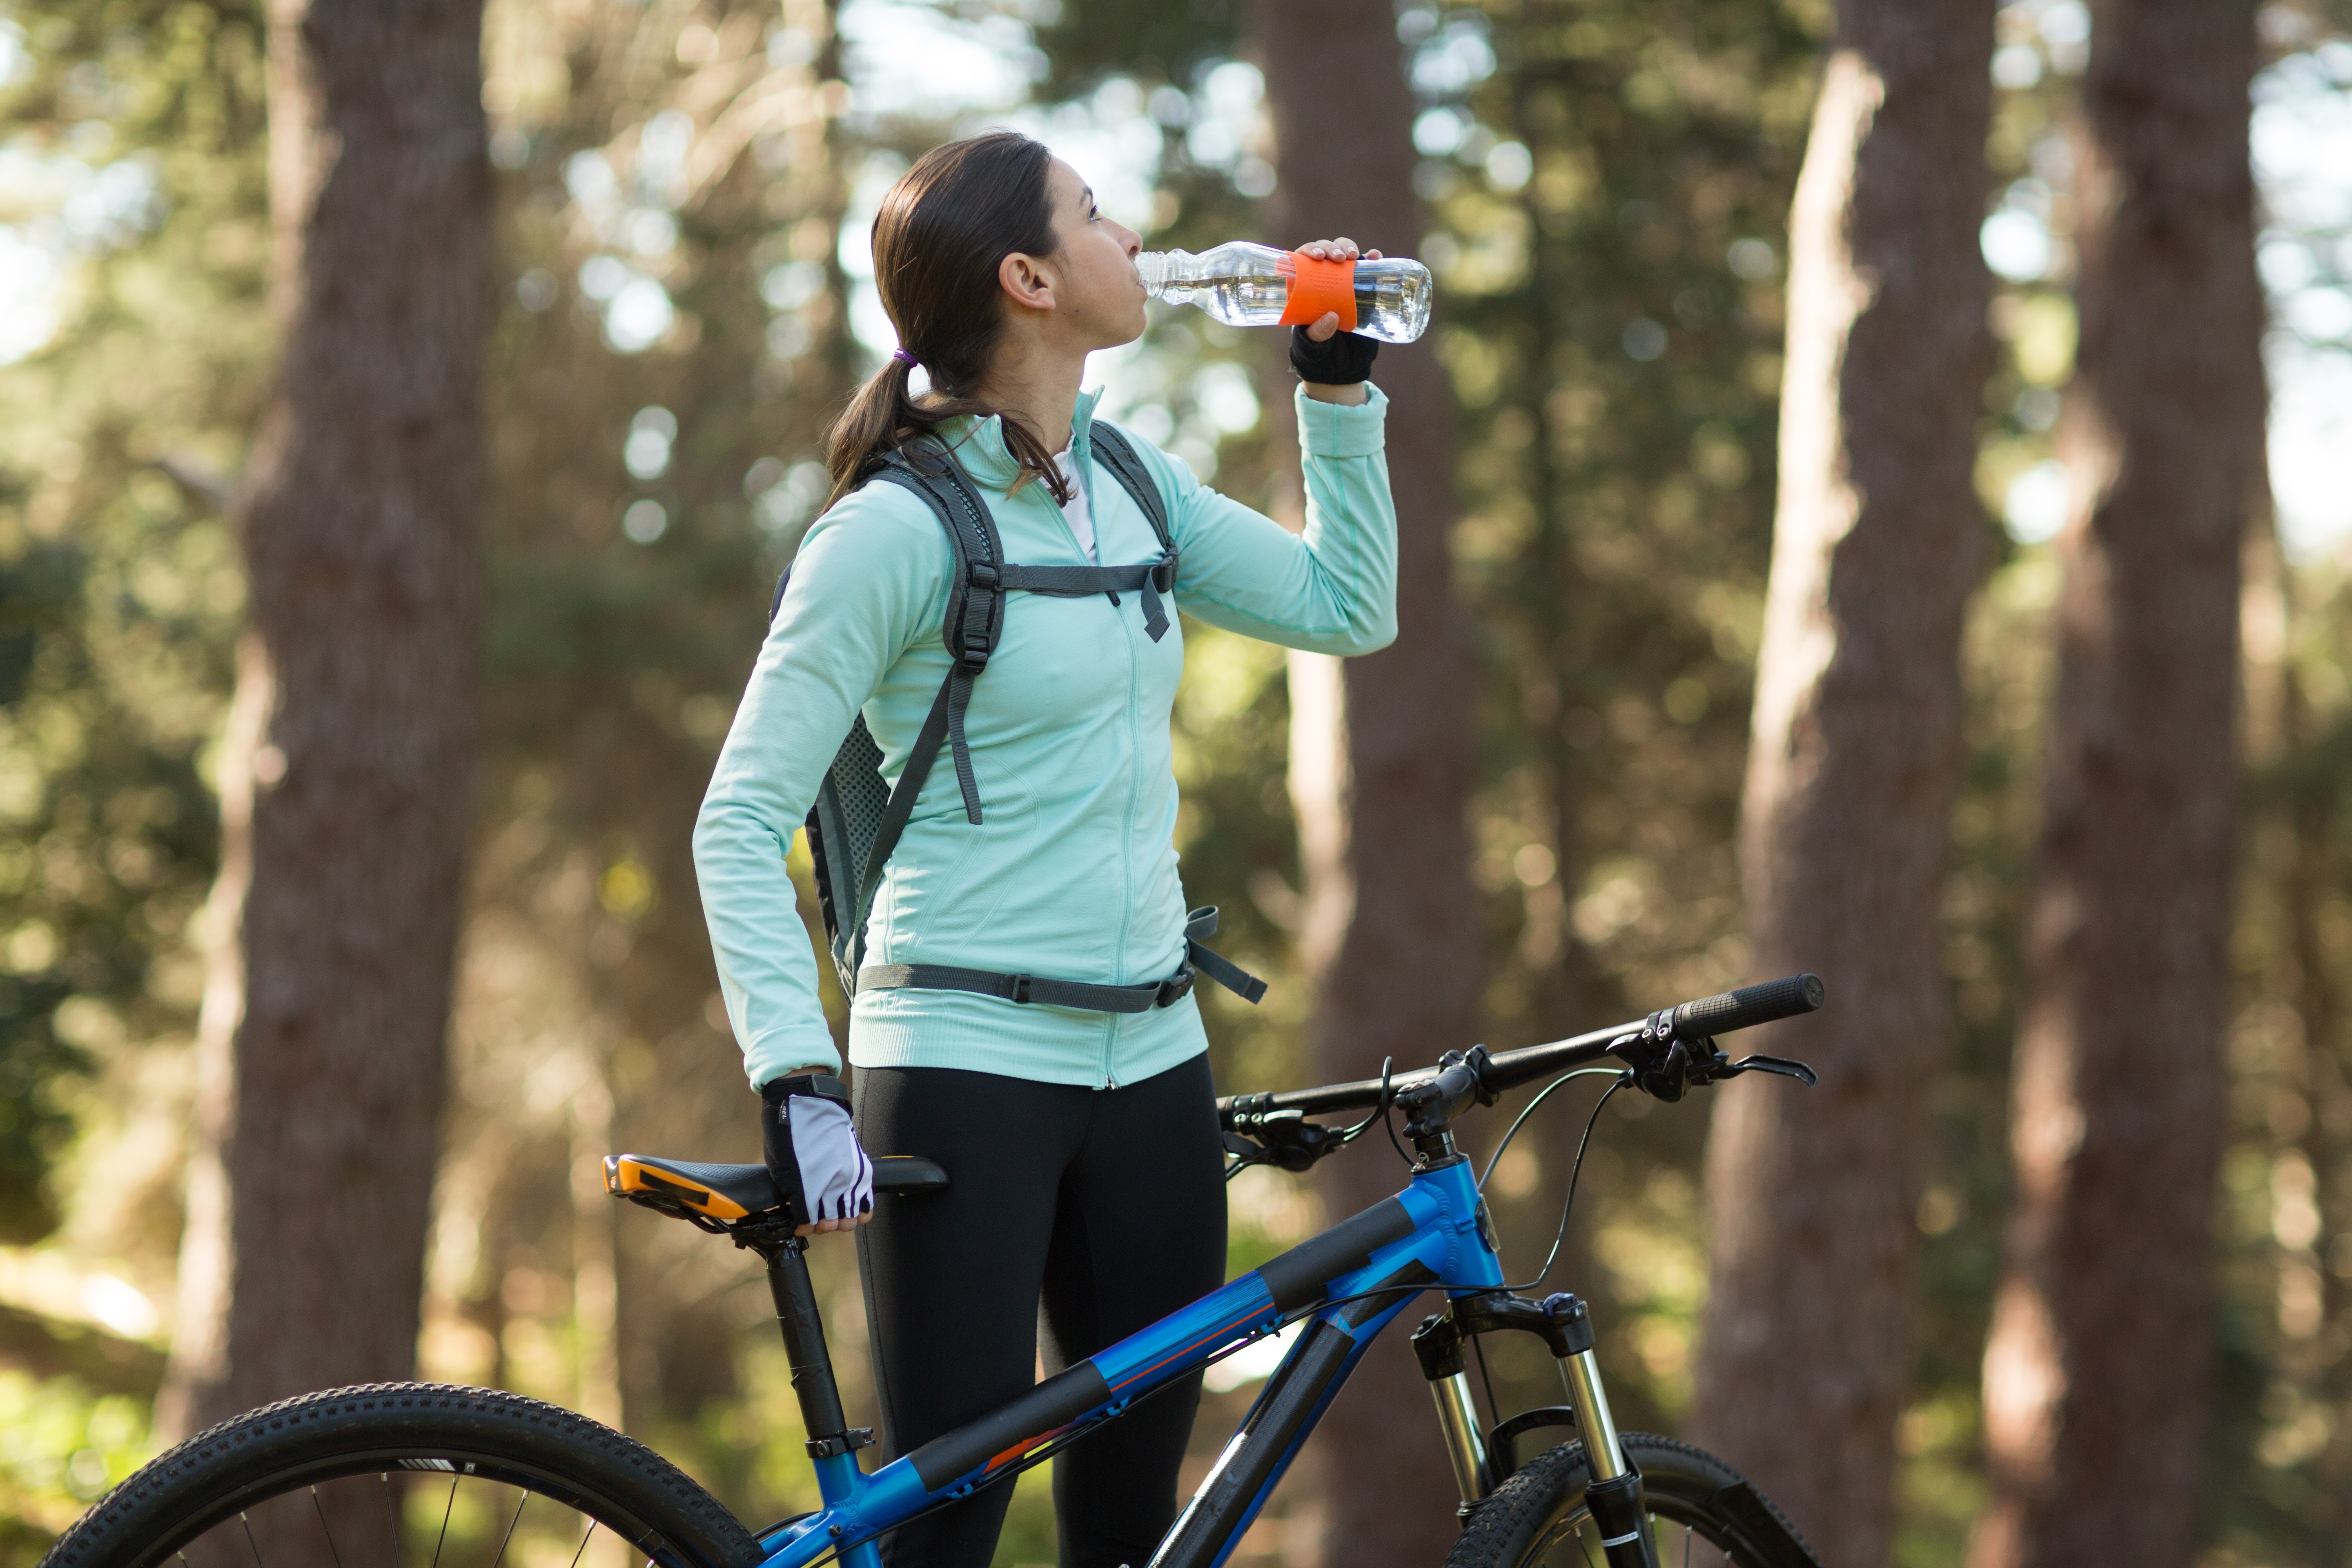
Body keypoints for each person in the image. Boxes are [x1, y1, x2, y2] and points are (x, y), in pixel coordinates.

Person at [693, 130, 1398, 1568]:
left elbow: (1349, 608)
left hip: (1153, 1064)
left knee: (1131, 1527)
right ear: (1028, 279)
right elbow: (738, 817)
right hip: (960, 1073)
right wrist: (796, 1076)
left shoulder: (1132, 485)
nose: (1134, 237)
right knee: (950, 1533)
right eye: (1095, 214)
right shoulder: (889, 532)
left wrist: (1338, 395)